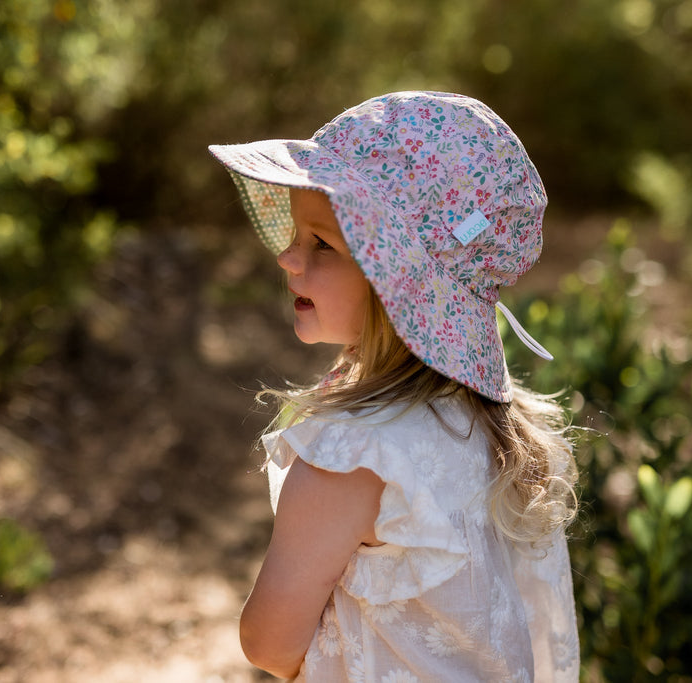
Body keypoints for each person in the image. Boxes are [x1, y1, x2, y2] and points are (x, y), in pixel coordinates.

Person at [209, 91, 580, 682]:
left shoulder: (353, 455)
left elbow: (268, 641)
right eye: (296, 236)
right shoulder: (493, 428)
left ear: (397, 280)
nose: (288, 258)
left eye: (322, 244)